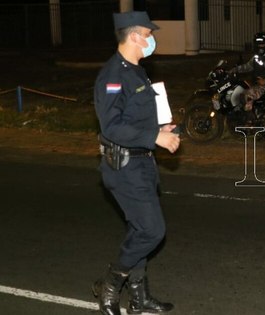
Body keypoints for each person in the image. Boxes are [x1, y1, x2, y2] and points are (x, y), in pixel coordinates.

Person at [92, 11, 179, 315]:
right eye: (147, 33)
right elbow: (111, 127)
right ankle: (110, 285)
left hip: (143, 163)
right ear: (133, 36)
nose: (151, 39)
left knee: (140, 228)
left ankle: (139, 299)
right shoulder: (113, 75)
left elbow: (138, 115)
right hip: (124, 166)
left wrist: (161, 129)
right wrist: (153, 136)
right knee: (153, 231)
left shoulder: (137, 71)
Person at [231, 31, 265, 111]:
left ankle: (248, 120)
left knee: (246, 94)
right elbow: (247, 66)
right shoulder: (257, 58)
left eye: (262, 44)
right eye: (258, 44)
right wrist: (234, 70)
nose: (260, 46)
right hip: (260, 86)